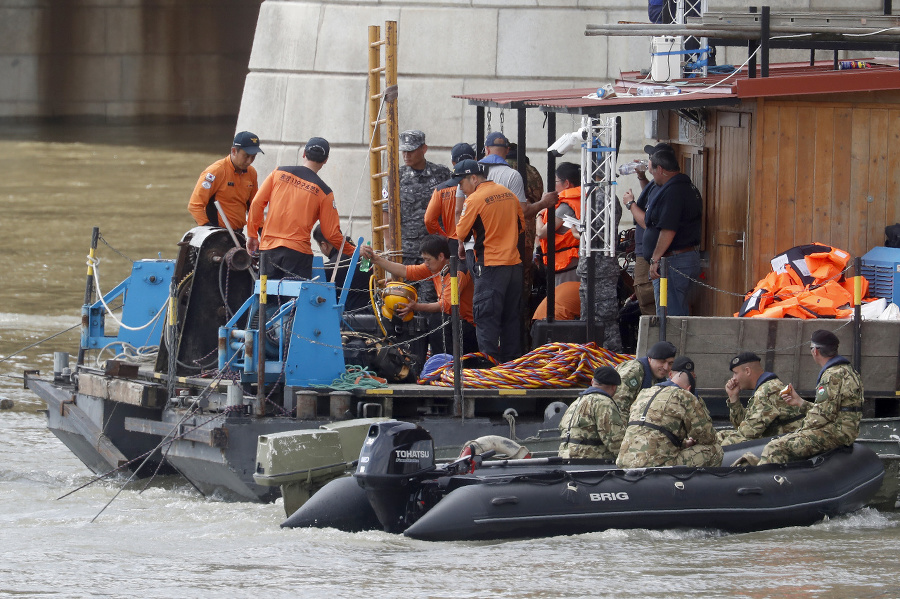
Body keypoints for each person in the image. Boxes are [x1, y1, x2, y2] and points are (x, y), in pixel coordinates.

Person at [247, 137, 354, 280]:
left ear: (304, 153)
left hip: (269, 250)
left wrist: (252, 235)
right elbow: (331, 234)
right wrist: (353, 251)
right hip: (297, 254)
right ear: (325, 160)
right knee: (294, 301)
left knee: (266, 298)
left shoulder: (278, 173)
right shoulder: (325, 192)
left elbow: (256, 204)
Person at [753, 330, 864, 465]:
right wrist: (800, 402)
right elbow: (832, 411)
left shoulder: (831, 376)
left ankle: (764, 484)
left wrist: (799, 432)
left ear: (815, 351)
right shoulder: (849, 371)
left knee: (775, 447)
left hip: (837, 434)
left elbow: (822, 416)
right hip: (845, 432)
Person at [453, 159, 526, 363]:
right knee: (511, 318)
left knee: (486, 319)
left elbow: (461, 233)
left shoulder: (474, 199)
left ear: (473, 178)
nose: (462, 189)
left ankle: (490, 368)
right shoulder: (509, 194)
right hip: (514, 266)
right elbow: (521, 227)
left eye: (461, 184)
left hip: (491, 267)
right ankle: (512, 367)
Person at [361, 234, 478, 355]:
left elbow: (445, 305)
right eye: (424, 260)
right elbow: (404, 271)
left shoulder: (457, 273)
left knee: (437, 319)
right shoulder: (436, 267)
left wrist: (416, 306)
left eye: (428, 260)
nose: (425, 263)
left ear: (441, 256)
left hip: (468, 328)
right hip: (452, 324)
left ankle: (444, 365)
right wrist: (376, 260)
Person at [617, 356, 723, 468]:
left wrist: (683, 444)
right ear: (688, 389)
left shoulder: (645, 392)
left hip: (624, 461)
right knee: (715, 450)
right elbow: (708, 437)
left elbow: (654, 433)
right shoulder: (685, 396)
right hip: (655, 464)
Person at [641, 148, 702, 317]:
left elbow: (668, 229)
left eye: (652, 172)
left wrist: (655, 259)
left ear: (660, 169)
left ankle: (671, 344)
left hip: (674, 260)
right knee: (675, 309)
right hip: (682, 258)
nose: (653, 178)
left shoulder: (674, 192)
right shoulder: (686, 187)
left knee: (669, 315)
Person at [622, 143, 672, 317]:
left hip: (648, 252)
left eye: (650, 158)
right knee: (644, 294)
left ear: (658, 165)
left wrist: (630, 204)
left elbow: (648, 223)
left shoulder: (664, 187)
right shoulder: (656, 185)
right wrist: (642, 177)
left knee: (646, 293)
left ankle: (655, 337)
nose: (647, 161)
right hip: (644, 249)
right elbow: (650, 203)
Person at [717, 351, 808, 446]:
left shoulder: (767, 390)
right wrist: (733, 397)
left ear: (747, 371)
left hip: (788, 442)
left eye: (735, 373)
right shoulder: (765, 387)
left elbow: (748, 432)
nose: (733, 378)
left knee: (726, 443)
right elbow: (741, 425)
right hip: (780, 437)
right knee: (721, 435)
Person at [188, 131, 262, 232]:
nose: (249, 161)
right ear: (234, 151)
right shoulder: (215, 171)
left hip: (238, 233)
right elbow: (195, 205)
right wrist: (208, 229)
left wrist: (262, 232)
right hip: (217, 233)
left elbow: (254, 206)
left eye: (253, 157)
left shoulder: (251, 173)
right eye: (246, 156)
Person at [398, 129, 451, 266]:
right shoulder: (397, 176)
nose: (406, 155)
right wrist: (389, 243)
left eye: (411, 151)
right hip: (406, 251)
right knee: (403, 287)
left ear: (424, 149)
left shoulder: (441, 174)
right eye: (404, 151)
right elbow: (386, 210)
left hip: (434, 251)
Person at [558, 366, 625, 460]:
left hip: (565, 457)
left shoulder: (577, 402)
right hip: (589, 460)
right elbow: (614, 440)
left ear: (592, 382)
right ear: (614, 387)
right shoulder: (604, 403)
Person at [424, 142, 476, 261]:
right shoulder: (480, 185)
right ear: (475, 159)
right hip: (477, 239)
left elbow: (429, 219)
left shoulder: (441, 190)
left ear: (453, 163)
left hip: (453, 242)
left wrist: (443, 235)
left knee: (454, 277)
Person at [536, 162, 581, 289]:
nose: (553, 185)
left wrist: (539, 215)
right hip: (570, 263)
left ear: (566, 183)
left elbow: (542, 233)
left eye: (555, 181)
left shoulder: (566, 206)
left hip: (567, 265)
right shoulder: (580, 199)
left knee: (564, 300)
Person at [312, 225, 370, 313]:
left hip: (351, 320)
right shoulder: (364, 255)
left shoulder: (331, 267)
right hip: (373, 313)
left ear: (324, 245)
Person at [613, 340, 677, 415]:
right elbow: (617, 404)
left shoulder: (659, 379)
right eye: (662, 361)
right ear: (650, 359)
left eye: (670, 363)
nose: (666, 367)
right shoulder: (634, 370)